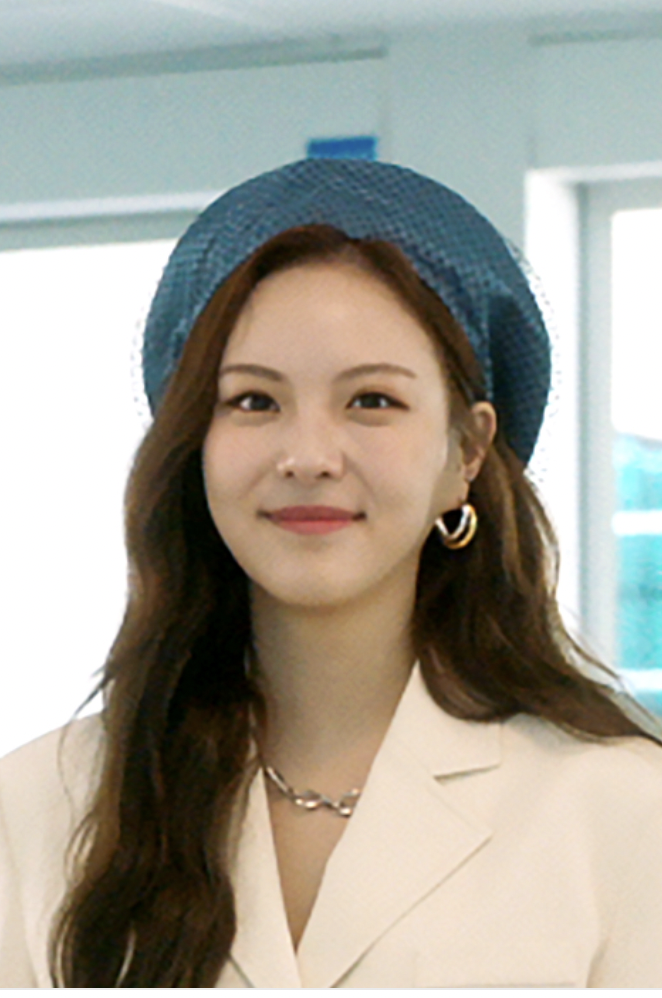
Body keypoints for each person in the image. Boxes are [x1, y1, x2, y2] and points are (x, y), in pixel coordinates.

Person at [1, 159, 661, 989]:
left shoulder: (620, 808)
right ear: (194, 446)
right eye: (253, 401)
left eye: (372, 401)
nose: (308, 456)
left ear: (467, 451)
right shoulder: (39, 807)